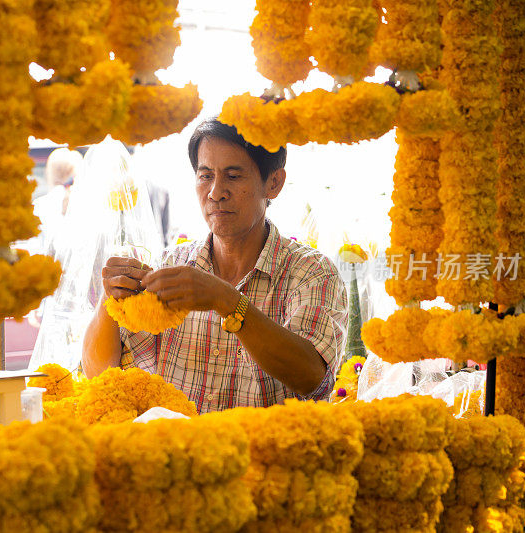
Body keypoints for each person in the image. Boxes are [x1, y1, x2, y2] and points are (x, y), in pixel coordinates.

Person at [82, 118, 348, 412]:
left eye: (233, 176)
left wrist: (226, 300)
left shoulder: (311, 272)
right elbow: (100, 374)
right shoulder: (172, 266)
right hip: (177, 453)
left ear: (274, 183)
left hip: (260, 455)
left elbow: (312, 377)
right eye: (205, 176)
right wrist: (110, 298)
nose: (215, 192)